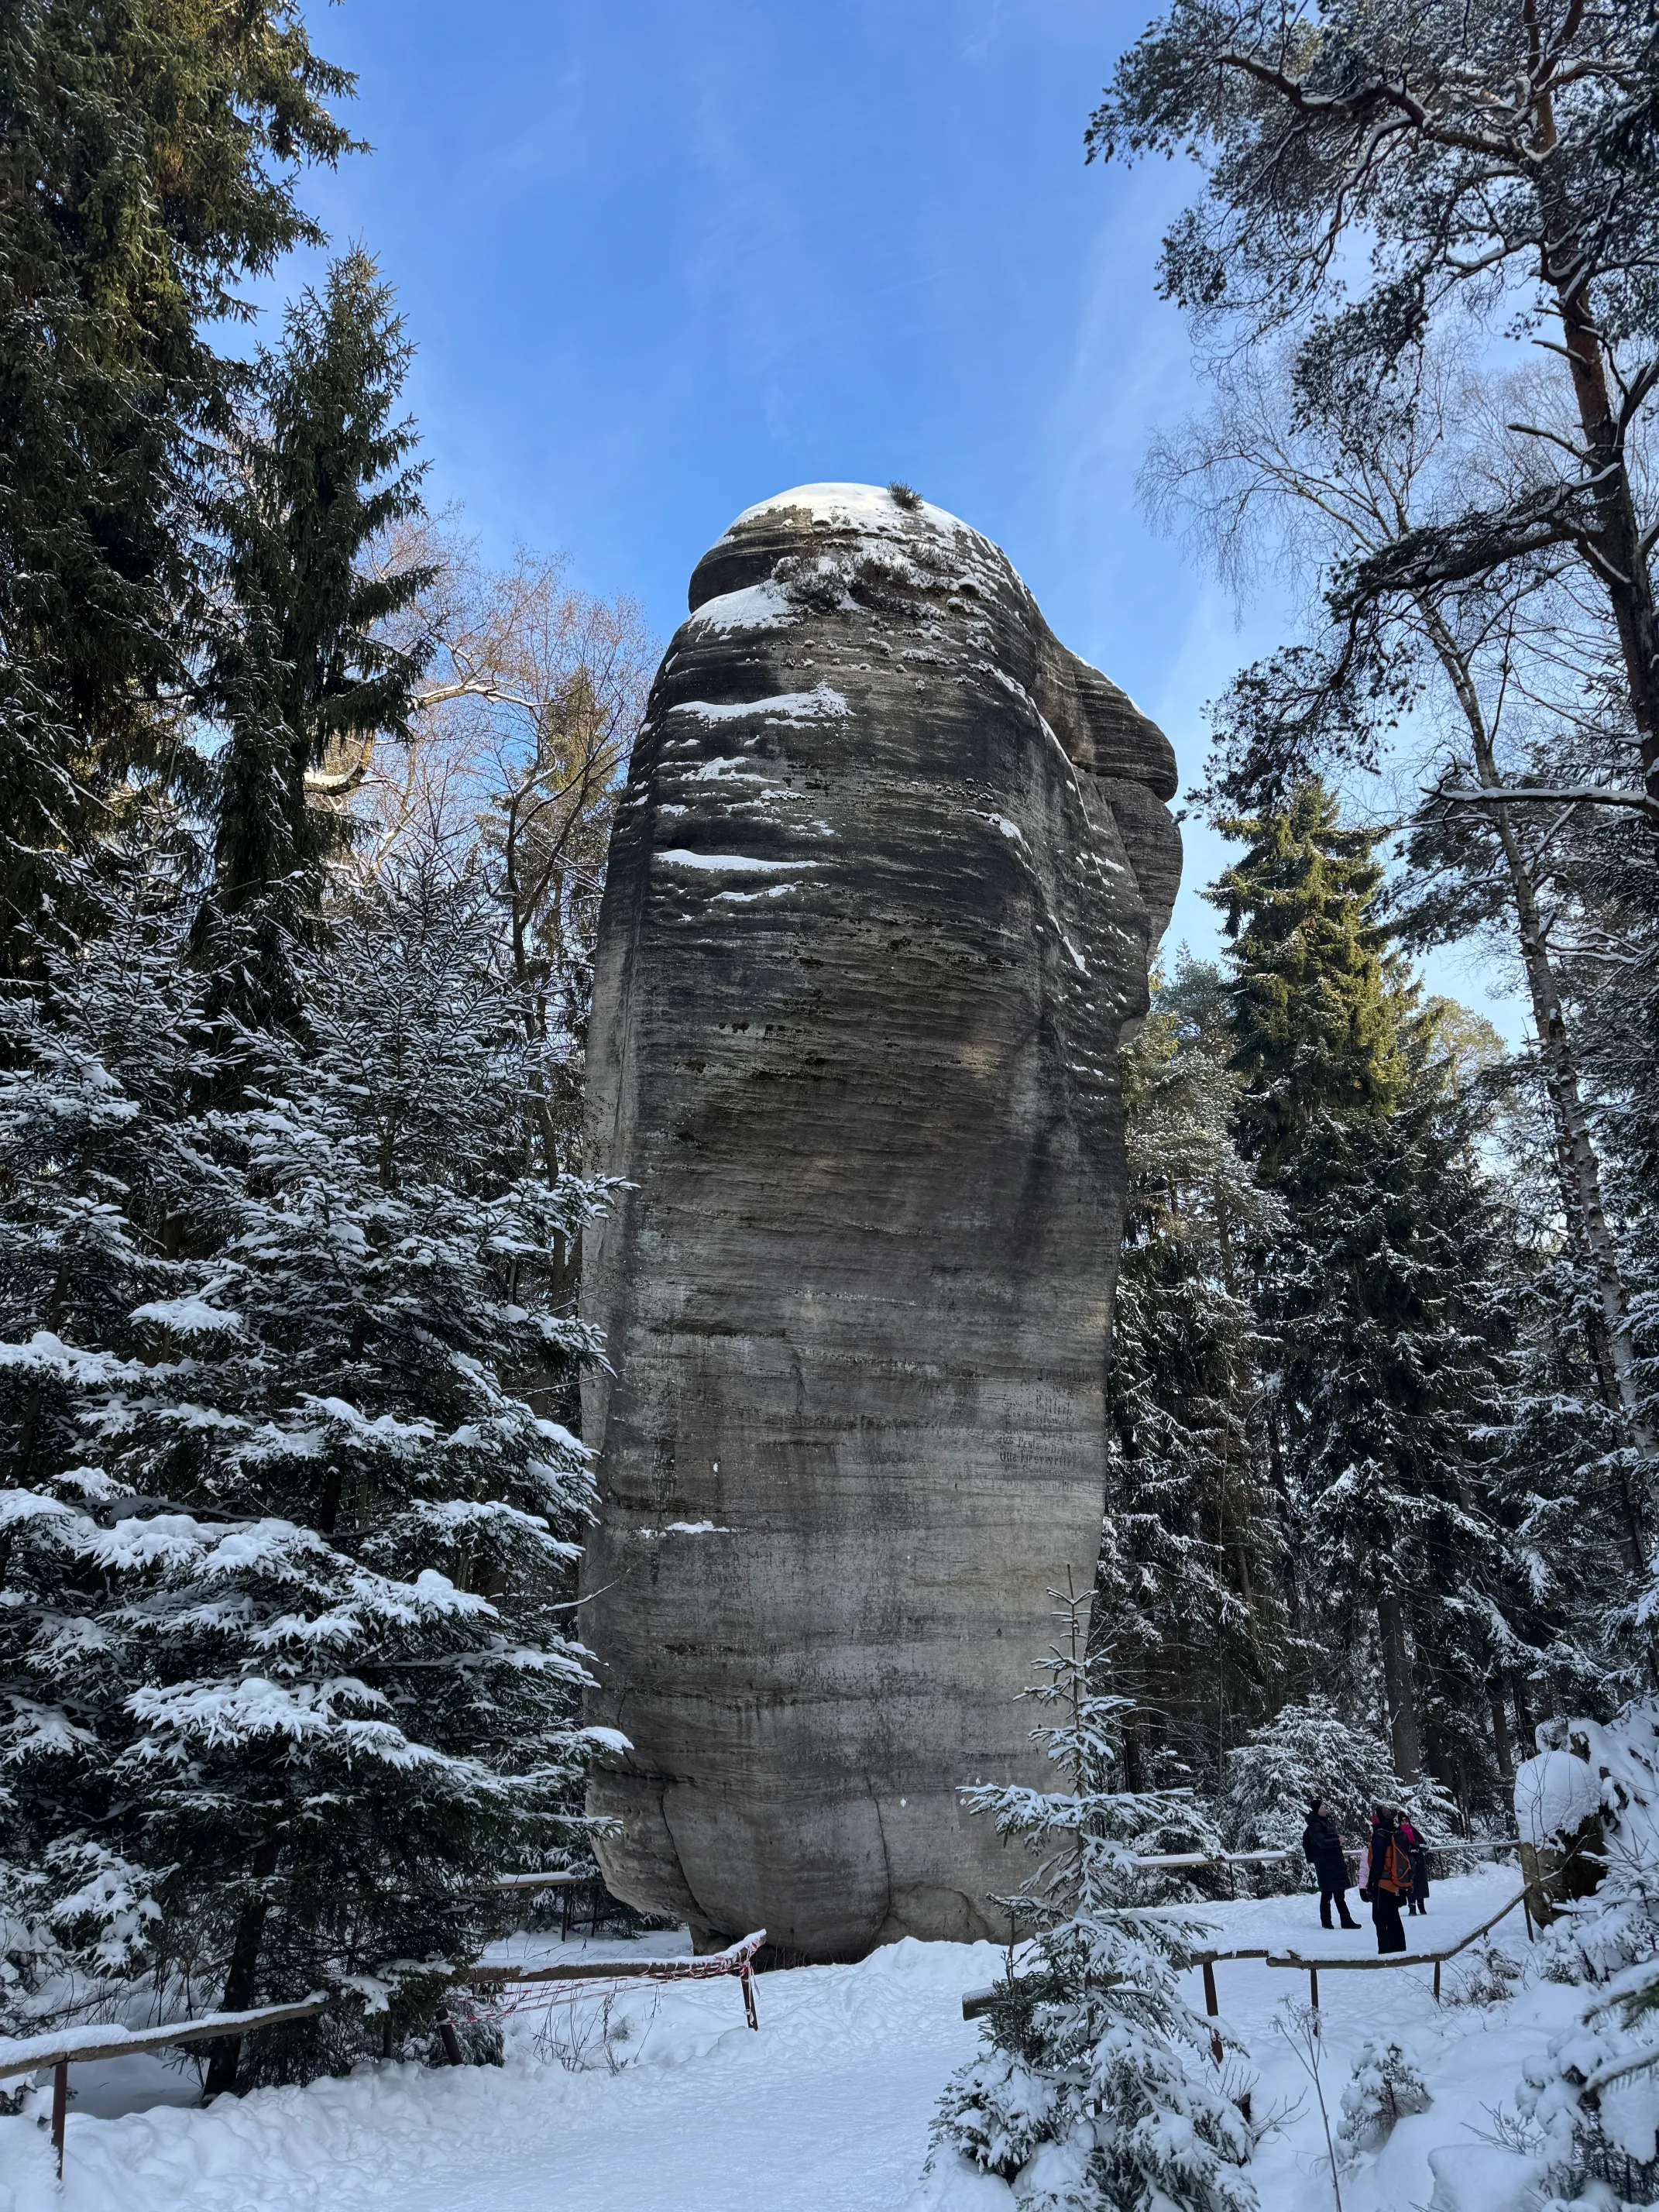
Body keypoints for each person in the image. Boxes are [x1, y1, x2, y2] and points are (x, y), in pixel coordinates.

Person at [1357, 1805, 1410, 1954]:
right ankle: (1400, 1948)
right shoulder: (1395, 1831)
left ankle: (1386, 1951)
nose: (1373, 1818)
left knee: (1380, 1917)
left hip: (1383, 1882)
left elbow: (1378, 1861)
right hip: (1395, 1881)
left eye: (1375, 1815)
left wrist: (1371, 1884)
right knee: (1393, 1915)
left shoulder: (1380, 1834)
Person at [1301, 1796, 1360, 1930]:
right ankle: (1327, 1922)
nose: (1325, 1808)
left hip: (1334, 1864)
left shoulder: (1323, 1823)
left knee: (1339, 1894)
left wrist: (1337, 1839)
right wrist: (1338, 1841)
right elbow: (1322, 1843)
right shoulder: (1315, 1826)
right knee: (1327, 1894)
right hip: (1325, 1865)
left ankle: (1346, 1921)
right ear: (1317, 1809)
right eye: (1323, 1806)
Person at [1397, 1812, 1431, 1916]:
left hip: (1419, 1861)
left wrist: (1418, 1847)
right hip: (1406, 1862)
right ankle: (1412, 1907)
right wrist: (1409, 1850)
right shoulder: (1398, 1833)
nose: (1405, 1823)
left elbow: (1425, 1845)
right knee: (1410, 1884)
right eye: (1402, 1821)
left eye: (1406, 1821)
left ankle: (1421, 1905)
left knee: (1420, 1883)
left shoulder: (1415, 1832)